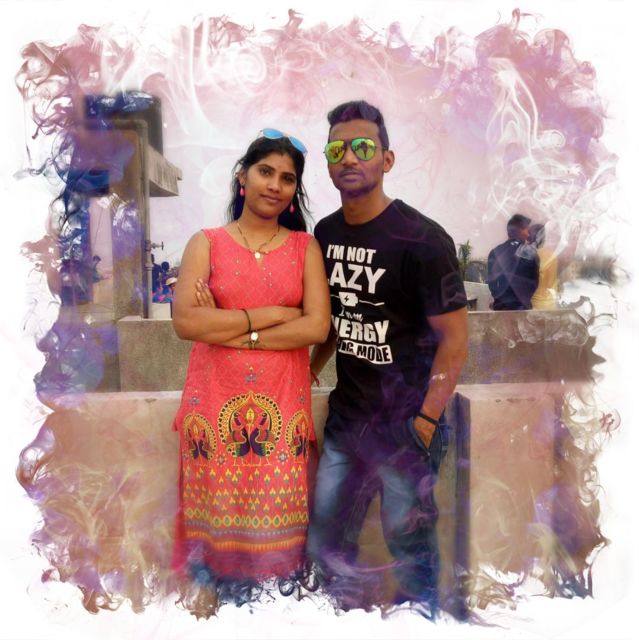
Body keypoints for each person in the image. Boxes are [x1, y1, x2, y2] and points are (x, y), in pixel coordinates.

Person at [306, 100, 469, 614]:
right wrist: (308, 370)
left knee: (409, 547)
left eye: (362, 147)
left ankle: (420, 619)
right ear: (328, 162)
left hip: (406, 425)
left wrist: (426, 420)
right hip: (347, 420)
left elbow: (455, 340)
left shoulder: (424, 239)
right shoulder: (325, 234)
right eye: (337, 149)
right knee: (325, 539)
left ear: (387, 159)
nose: (349, 158)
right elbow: (335, 316)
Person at [170, 130, 330, 613]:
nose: (275, 185)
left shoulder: (304, 247)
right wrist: (273, 315)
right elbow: (187, 322)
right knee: (215, 513)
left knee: (279, 516)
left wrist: (230, 328)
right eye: (265, 172)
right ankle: (212, 602)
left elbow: (317, 326)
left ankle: (273, 608)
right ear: (243, 177)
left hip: (281, 408)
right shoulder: (206, 243)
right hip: (214, 405)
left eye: (287, 178)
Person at [487, 213, 540, 310]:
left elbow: (491, 282)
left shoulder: (495, 252)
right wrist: (523, 299)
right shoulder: (530, 253)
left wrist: (500, 298)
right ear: (519, 230)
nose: (528, 234)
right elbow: (534, 283)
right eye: (526, 230)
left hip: (501, 307)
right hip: (522, 308)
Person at [529, 223, 558, 310]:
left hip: (527, 302)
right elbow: (551, 284)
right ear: (544, 239)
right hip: (545, 303)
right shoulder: (550, 256)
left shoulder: (523, 255)